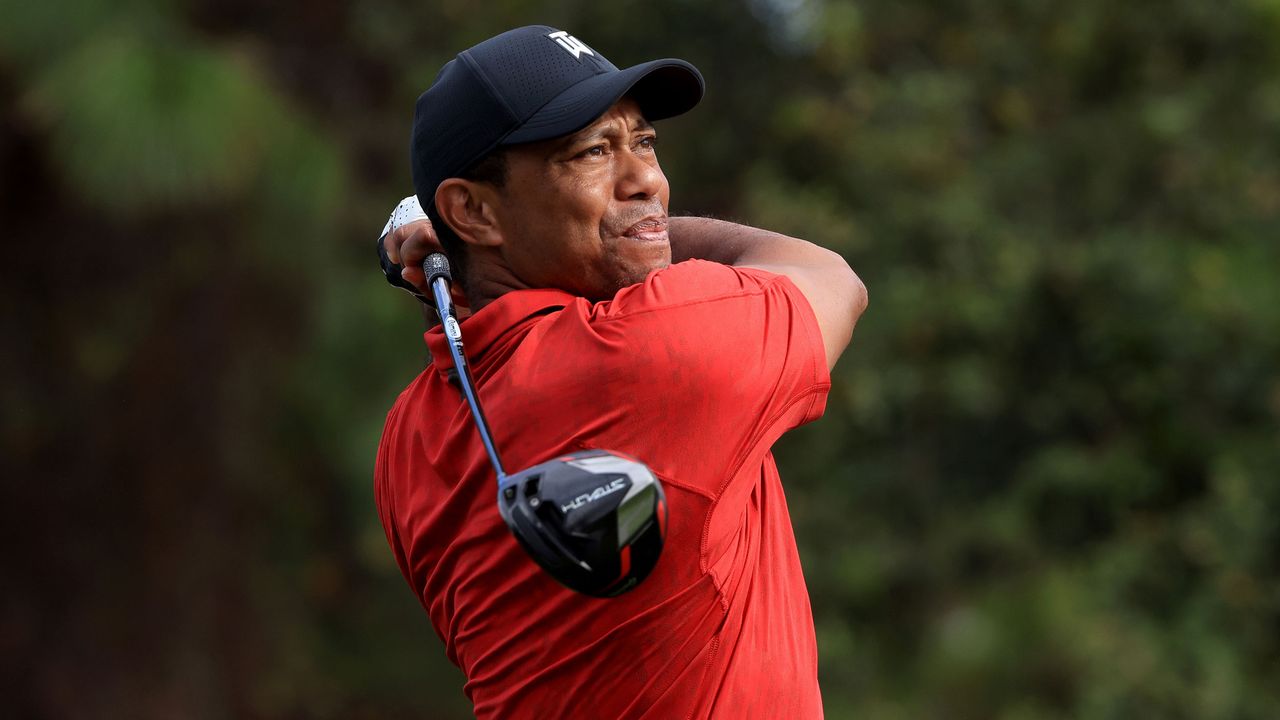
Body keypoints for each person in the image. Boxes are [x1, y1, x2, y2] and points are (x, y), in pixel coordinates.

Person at [374, 25, 867, 718]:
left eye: (643, 142)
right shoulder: (650, 349)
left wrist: (455, 255)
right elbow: (830, 278)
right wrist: (648, 229)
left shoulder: (406, 440)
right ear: (473, 209)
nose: (648, 181)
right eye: (594, 152)